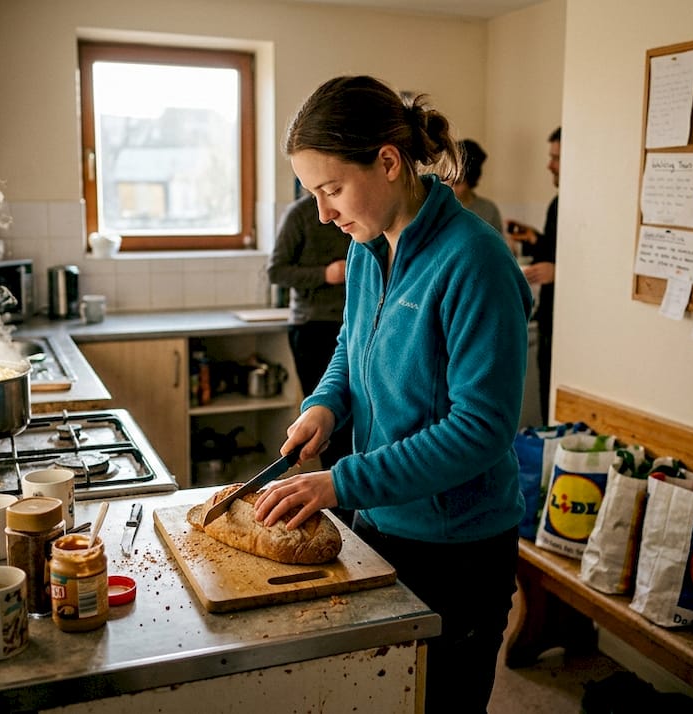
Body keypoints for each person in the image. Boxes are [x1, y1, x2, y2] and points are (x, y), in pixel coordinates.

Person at [253, 75, 533, 714]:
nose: (323, 213)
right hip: (380, 525)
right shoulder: (366, 249)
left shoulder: (475, 260)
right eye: (312, 195)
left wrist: (339, 483)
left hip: (457, 551)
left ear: (387, 161)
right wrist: (322, 408)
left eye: (331, 190)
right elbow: (350, 351)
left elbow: (482, 429)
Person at [266, 190, 354, 477]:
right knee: (327, 426)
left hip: (353, 323)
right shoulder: (299, 214)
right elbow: (276, 271)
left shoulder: (356, 213)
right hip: (312, 327)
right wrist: (324, 275)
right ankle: (335, 492)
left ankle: (346, 492)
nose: (327, 210)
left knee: (354, 422)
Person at [507, 127, 560, 423]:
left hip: (570, 324)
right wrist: (533, 239)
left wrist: (560, 273)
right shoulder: (556, 204)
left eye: (556, 158)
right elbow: (554, 251)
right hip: (549, 318)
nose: (549, 165)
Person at [448, 139, 503, 231]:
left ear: (471, 181)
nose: (451, 186)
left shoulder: (488, 210)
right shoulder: (440, 209)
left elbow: (497, 243)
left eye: (458, 182)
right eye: (448, 179)